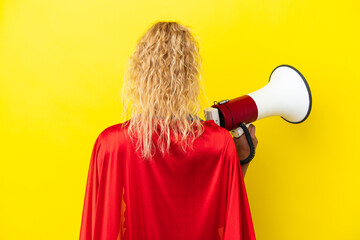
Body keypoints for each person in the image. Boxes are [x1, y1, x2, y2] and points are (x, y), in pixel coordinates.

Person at [79, 21, 258, 240]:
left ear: (139, 72)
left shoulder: (111, 144)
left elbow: (103, 226)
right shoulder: (218, 143)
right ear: (189, 76)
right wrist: (242, 157)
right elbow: (228, 221)